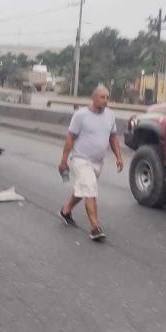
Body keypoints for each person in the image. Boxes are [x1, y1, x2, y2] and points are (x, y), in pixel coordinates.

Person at [58, 85, 124, 240]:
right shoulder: (81, 115)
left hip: (97, 162)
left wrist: (119, 157)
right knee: (90, 191)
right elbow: (70, 138)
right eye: (102, 97)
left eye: (107, 97)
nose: (106, 101)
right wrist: (63, 161)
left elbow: (113, 137)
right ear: (94, 98)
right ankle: (95, 227)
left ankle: (65, 211)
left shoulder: (110, 115)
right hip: (81, 159)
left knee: (84, 189)